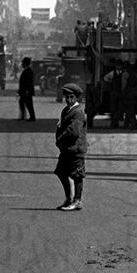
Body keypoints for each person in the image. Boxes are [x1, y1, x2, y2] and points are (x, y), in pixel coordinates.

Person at [54, 81, 87, 211]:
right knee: (62, 172)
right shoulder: (66, 111)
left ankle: (77, 200)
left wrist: (59, 140)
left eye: (71, 97)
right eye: (66, 97)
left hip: (75, 149)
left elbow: (72, 132)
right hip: (67, 149)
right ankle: (69, 198)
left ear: (76, 97)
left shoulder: (78, 112)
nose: (68, 100)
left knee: (77, 175)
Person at [18, 57, 37, 122]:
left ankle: (31, 117)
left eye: (23, 63)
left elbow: (28, 82)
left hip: (27, 91)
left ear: (25, 64)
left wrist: (27, 90)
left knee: (28, 104)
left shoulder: (28, 71)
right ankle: (25, 116)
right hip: (25, 91)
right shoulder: (27, 71)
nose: (22, 64)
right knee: (23, 103)